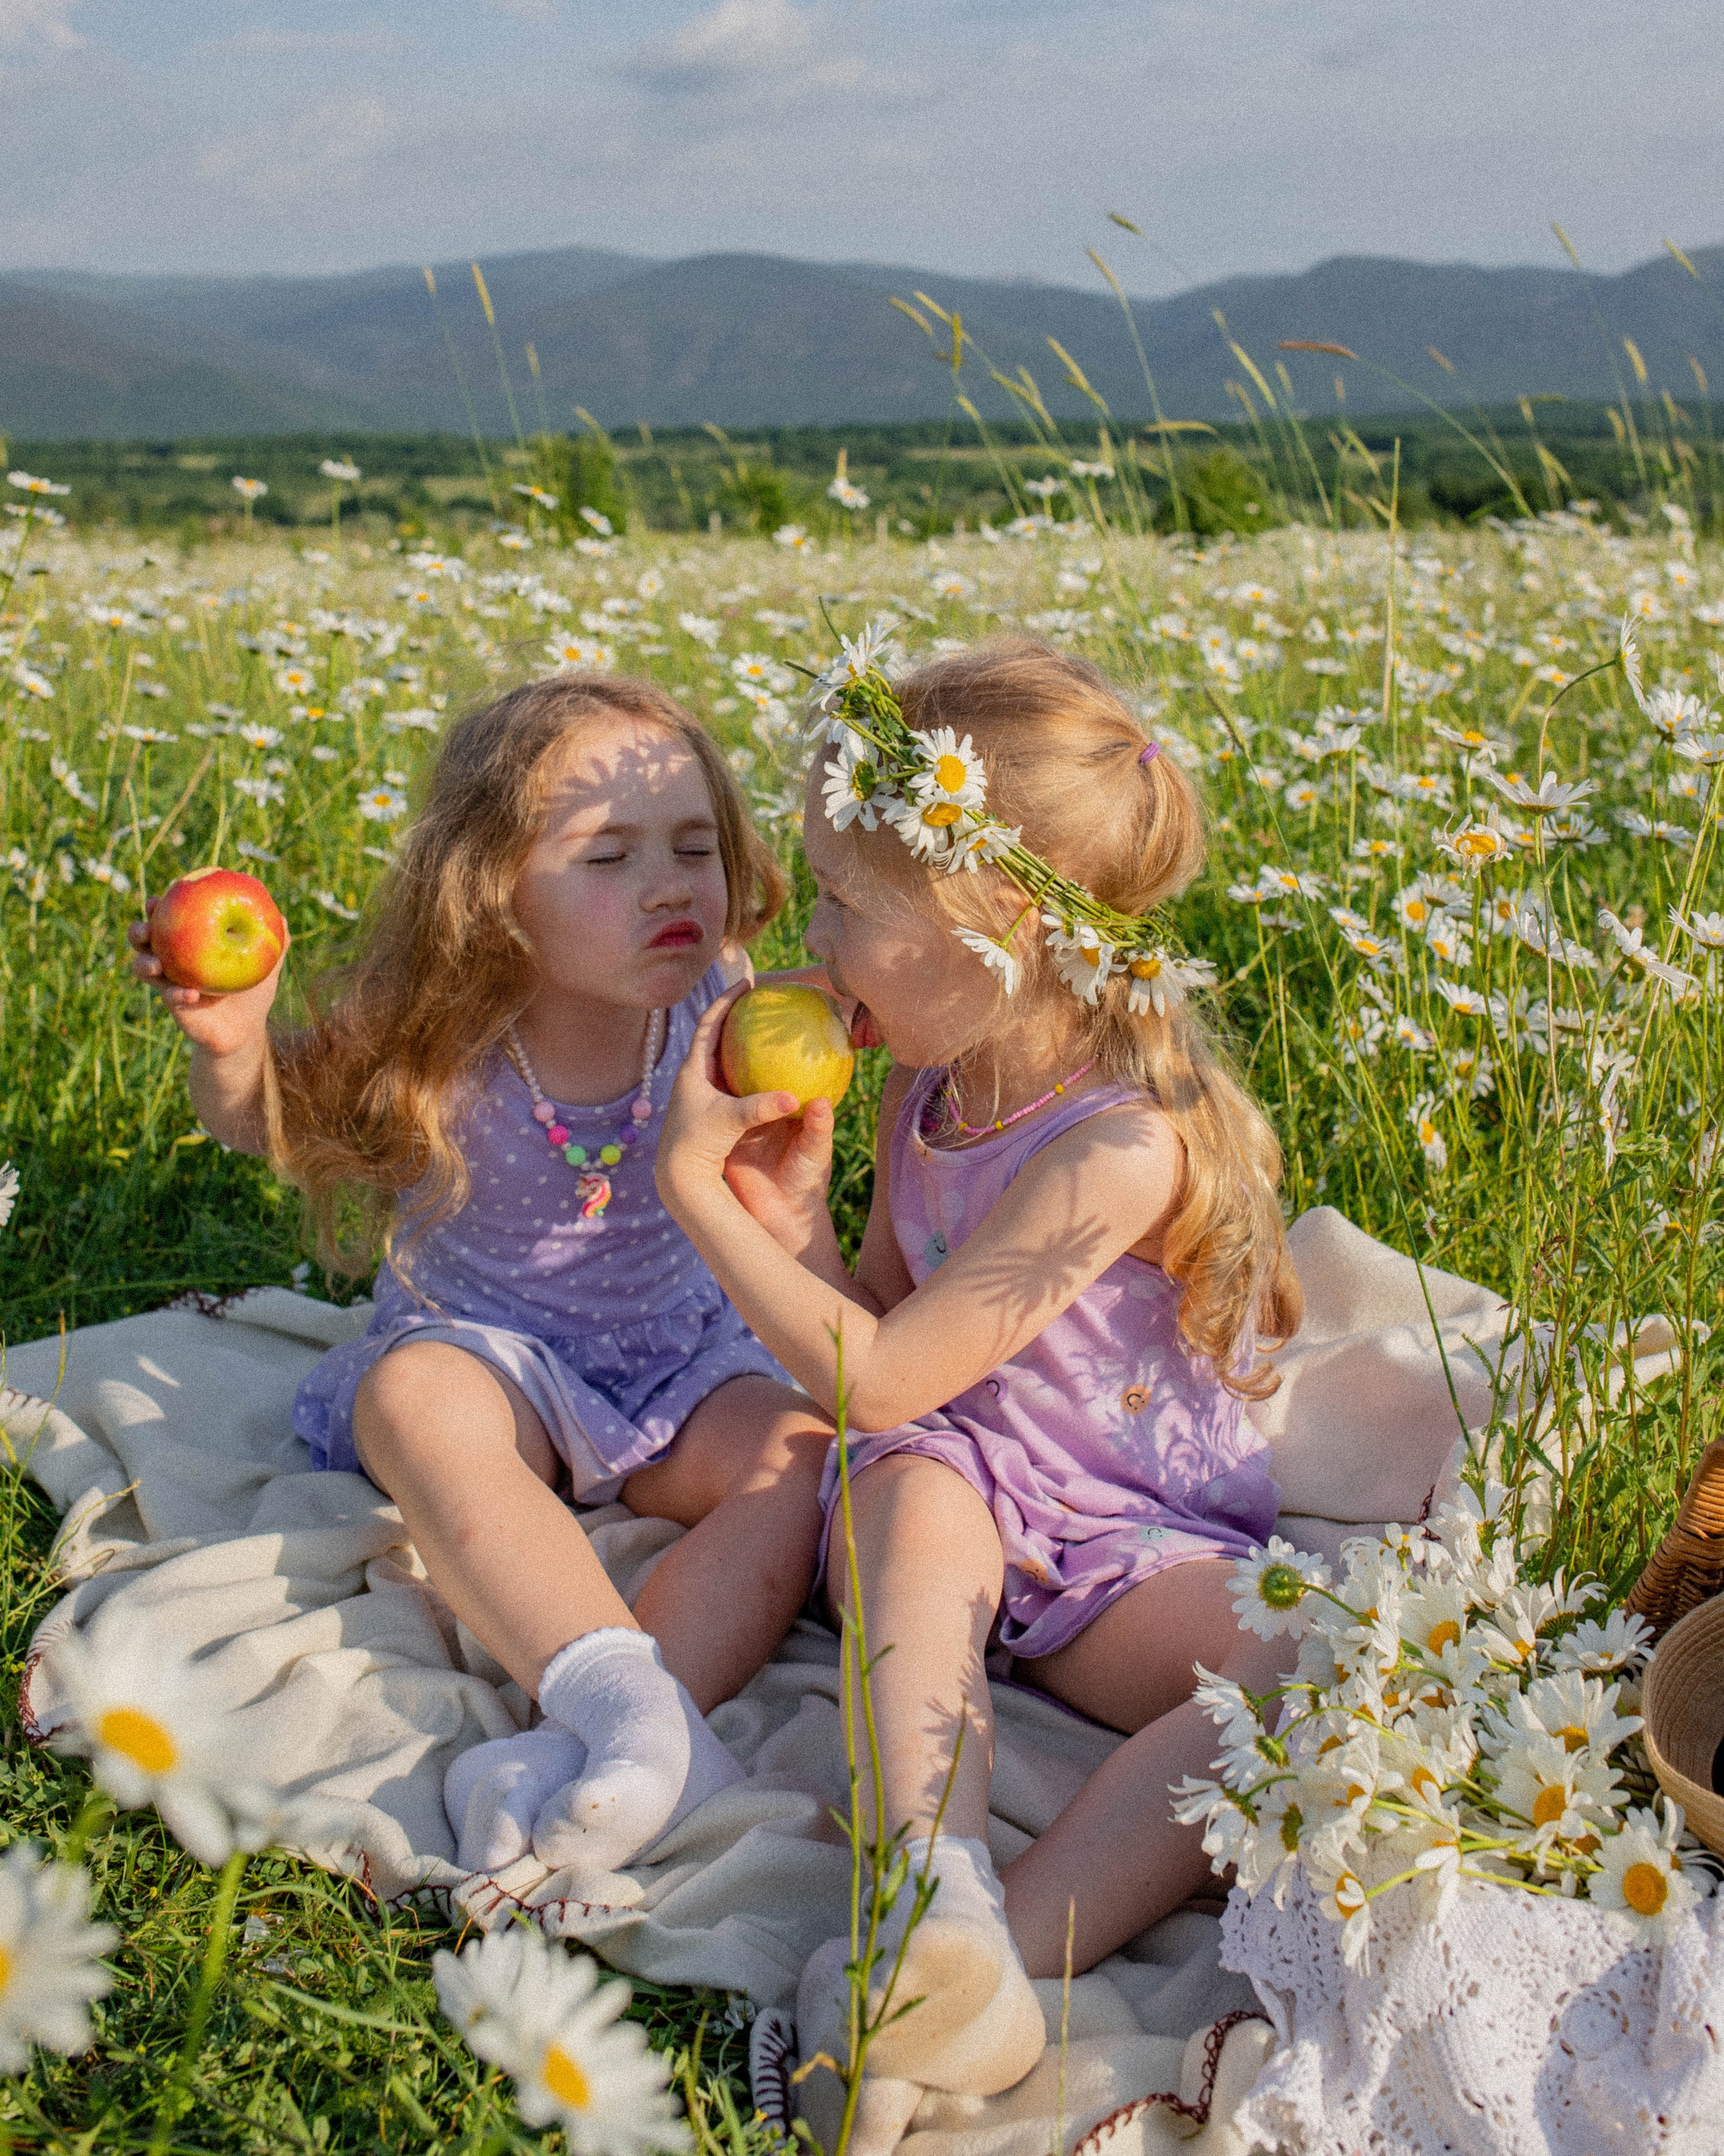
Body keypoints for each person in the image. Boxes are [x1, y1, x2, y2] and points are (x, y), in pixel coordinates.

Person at [657, 630, 1302, 2097]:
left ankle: (992, 1953)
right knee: (903, 1501)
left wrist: (697, 1199)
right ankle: (922, 1882)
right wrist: (795, 1217)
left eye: (838, 900)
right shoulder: (929, 1090)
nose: (808, 942)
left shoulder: (1118, 1147)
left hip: (1122, 1546)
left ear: (986, 918)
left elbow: (874, 1370)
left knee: (1296, 1677)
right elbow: (878, 1346)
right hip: (952, 1479)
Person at [127, 671, 833, 1879]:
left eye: (694, 847)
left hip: (683, 1363)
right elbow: (276, 1122)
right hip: (492, 1357)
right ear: (493, 896)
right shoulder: (439, 1031)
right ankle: (624, 1707)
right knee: (412, 1401)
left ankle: (624, 1740)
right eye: (606, 857)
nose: (668, 885)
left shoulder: (731, 1005)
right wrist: (236, 1049)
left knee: (799, 1455)